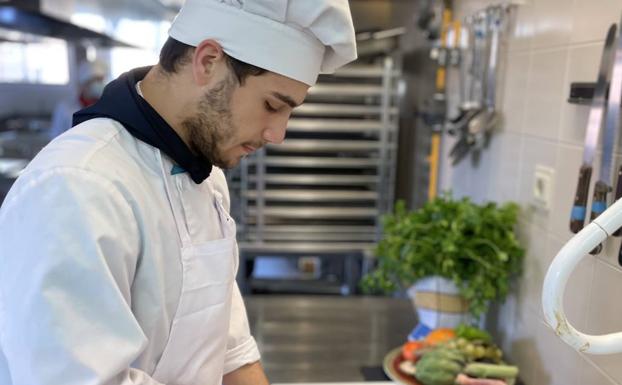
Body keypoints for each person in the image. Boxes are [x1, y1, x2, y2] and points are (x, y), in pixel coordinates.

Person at [0, 1, 356, 384]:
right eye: (272, 104)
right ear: (207, 61)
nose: (278, 134)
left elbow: (231, 352)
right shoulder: (77, 186)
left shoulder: (206, 176)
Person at [49, 59, 108, 138]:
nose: (99, 84)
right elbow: (55, 137)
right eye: (95, 80)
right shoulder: (65, 107)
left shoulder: (106, 106)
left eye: (101, 80)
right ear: (84, 83)